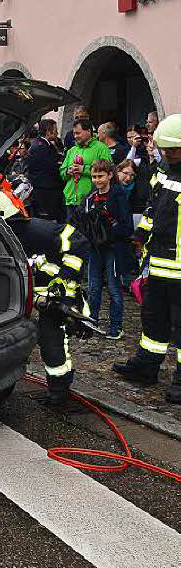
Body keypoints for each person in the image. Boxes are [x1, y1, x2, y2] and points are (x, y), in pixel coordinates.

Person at [0, 193, 93, 404]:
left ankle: (59, 392)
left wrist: (65, 277)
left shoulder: (35, 230)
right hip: (30, 298)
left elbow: (78, 241)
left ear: (0, 218)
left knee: (52, 343)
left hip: (54, 297)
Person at [113, 114, 181, 402]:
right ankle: (146, 366)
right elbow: (154, 207)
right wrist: (141, 233)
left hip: (180, 269)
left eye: (171, 150)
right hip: (158, 264)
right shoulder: (164, 171)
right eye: (163, 149)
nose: (165, 154)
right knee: (153, 319)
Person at [81, 159, 132, 340]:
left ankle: (116, 325)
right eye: (94, 176)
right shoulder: (90, 197)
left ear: (110, 175)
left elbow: (127, 226)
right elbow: (81, 219)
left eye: (100, 176)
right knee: (93, 287)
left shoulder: (118, 196)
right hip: (95, 247)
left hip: (113, 248)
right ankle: (92, 320)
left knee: (113, 288)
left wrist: (108, 229)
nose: (97, 180)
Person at [60, 119, 112, 211]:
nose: (75, 136)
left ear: (88, 131)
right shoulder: (72, 150)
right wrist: (68, 171)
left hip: (91, 200)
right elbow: (62, 173)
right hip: (71, 199)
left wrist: (83, 169)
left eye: (78, 133)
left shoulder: (101, 148)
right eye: (74, 133)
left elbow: (107, 170)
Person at [27, 119, 66, 222]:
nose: (57, 133)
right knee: (47, 219)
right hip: (45, 190)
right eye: (55, 130)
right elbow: (52, 167)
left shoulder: (46, 145)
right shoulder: (41, 147)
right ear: (49, 131)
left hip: (47, 188)